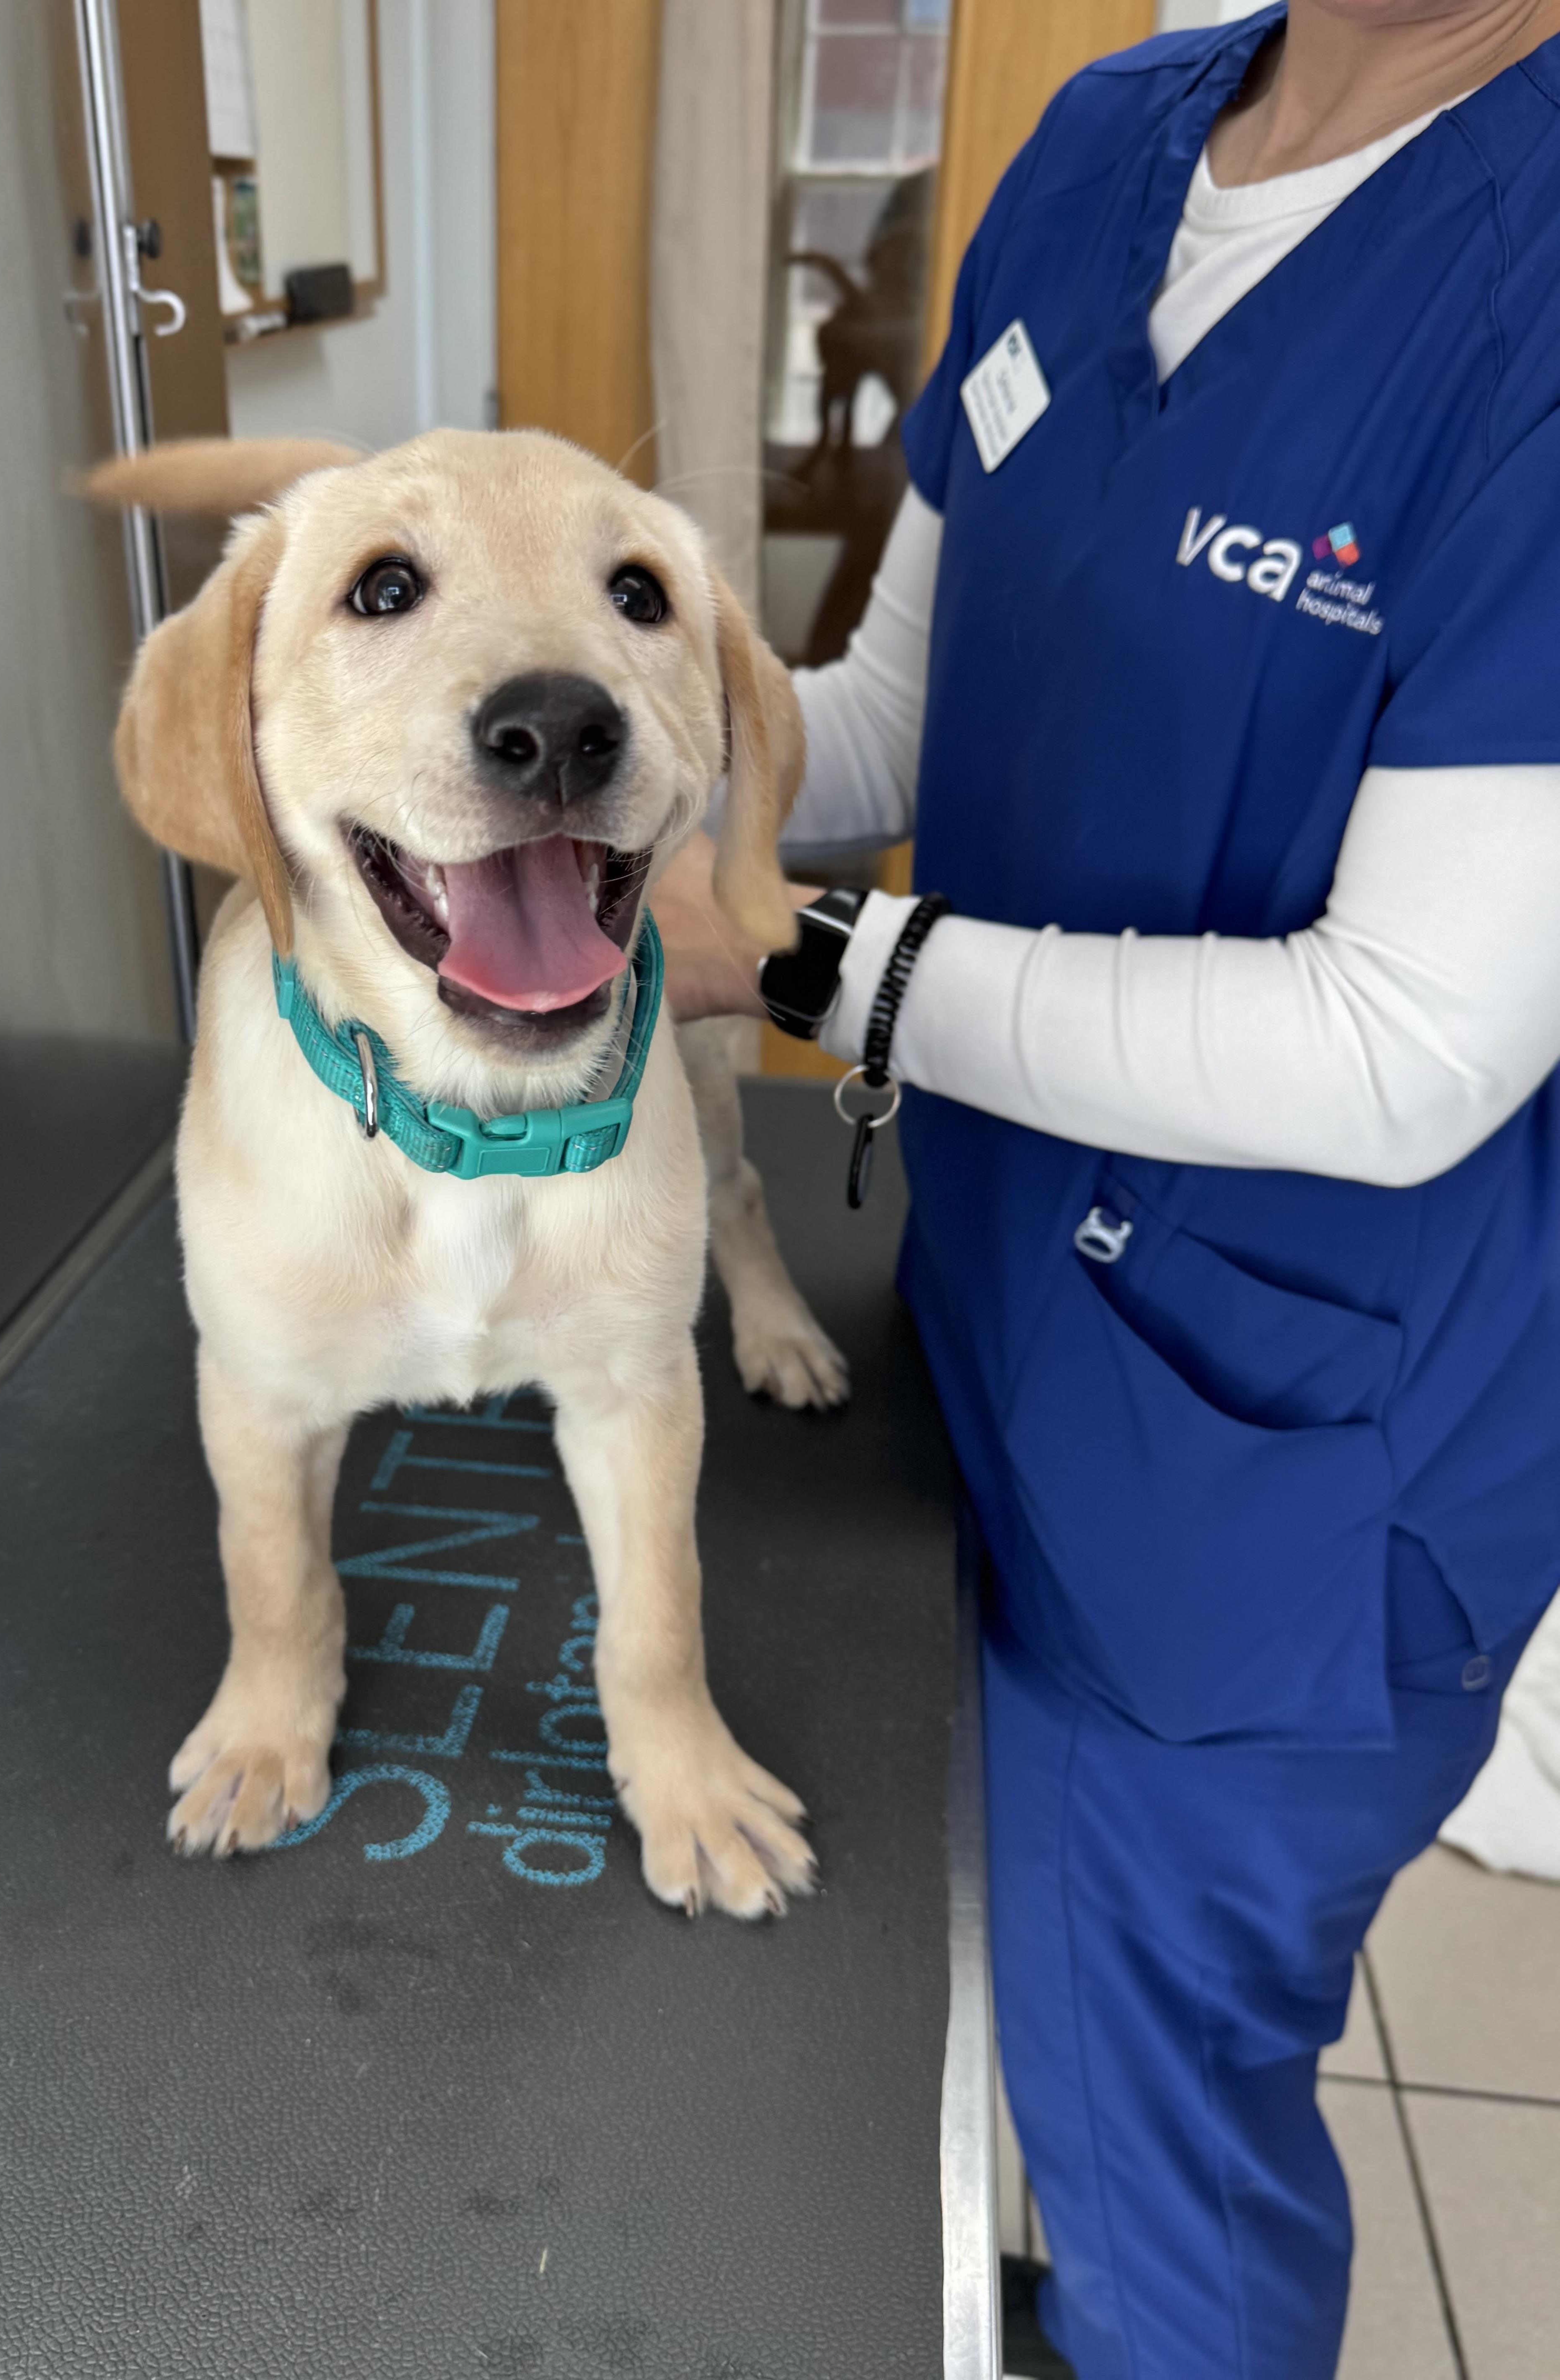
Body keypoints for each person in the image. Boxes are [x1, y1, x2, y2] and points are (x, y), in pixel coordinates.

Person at [658, 3, 1560, 2373]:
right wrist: (608, 716)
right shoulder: (1104, 142)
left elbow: (1410, 1041)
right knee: (981, 2007)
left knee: (1155, 2111)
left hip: (1289, 1467)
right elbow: (880, 713)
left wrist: (807, 962)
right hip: (985, 1307)